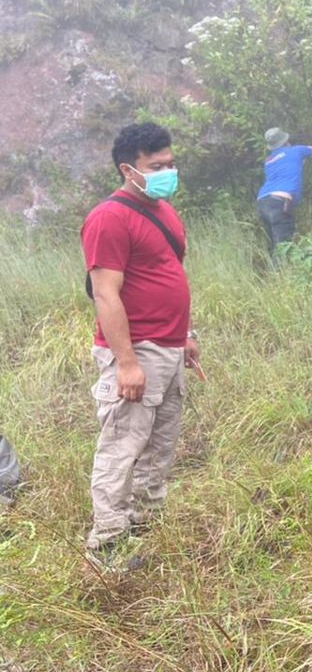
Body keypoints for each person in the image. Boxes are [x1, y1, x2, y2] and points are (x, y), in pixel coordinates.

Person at [80, 122, 201, 570]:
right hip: (137, 351)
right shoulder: (108, 218)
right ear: (129, 169)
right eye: (158, 166)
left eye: (171, 164)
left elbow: (171, 276)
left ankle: (145, 525)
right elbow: (105, 294)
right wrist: (126, 362)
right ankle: (107, 545)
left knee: (160, 445)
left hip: (169, 347)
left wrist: (187, 335)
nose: (168, 172)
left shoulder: (164, 209)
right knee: (121, 445)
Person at [256, 127, 312, 259]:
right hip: (280, 202)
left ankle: (271, 276)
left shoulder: (269, 161)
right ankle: (279, 276)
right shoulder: (296, 150)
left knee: (272, 246)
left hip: (263, 201)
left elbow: (285, 167)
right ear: (286, 140)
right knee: (283, 247)